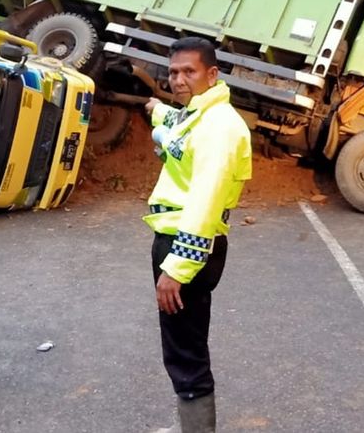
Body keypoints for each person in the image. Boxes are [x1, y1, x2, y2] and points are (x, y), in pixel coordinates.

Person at [144, 37, 252, 432]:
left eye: (189, 71)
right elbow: (174, 126)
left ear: (212, 74)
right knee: (183, 343)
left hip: (186, 245)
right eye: (173, 72)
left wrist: (176, 268)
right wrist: (157, 111)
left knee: (184, 351)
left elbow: (205, 202)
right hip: (177, 239)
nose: (178, 79)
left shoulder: (219, 128)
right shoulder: (199, 115)